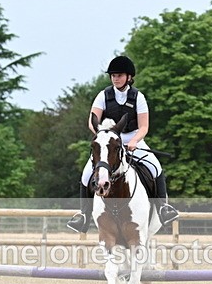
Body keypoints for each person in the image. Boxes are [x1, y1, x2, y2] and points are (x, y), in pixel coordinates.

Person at [67, 55, 179, 233]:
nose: (115, 78)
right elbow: (92, 120)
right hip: (109, 141)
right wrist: (105, 138)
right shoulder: (103, 95)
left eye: (119, 75)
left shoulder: (138, 97)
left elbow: (144, 126)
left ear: (129, 77)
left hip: (133, 139)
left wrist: (134, 141)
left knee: (155, 167)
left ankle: (163, 209)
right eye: (113, 75)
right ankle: (83, 216)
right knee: (87, 174)